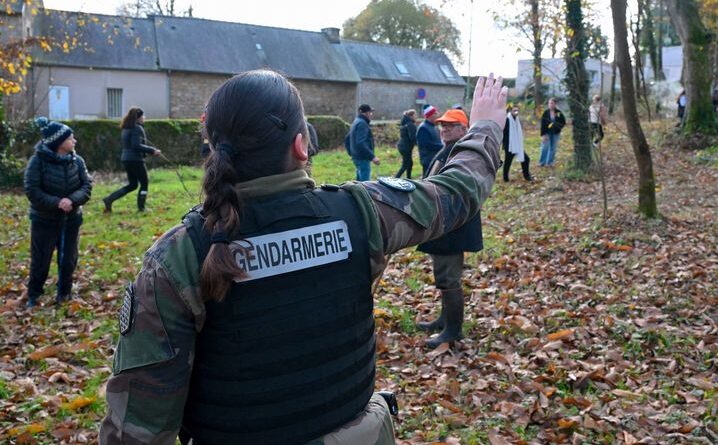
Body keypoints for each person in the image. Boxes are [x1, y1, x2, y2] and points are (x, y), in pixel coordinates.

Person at [99, 69, 507, 445]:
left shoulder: (179, 257)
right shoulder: (361, 214)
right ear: (300, 144)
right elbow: (456, 193)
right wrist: (486, 126)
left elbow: (138, 429)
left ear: (213, 145)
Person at [415, 109, 484, 349]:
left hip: (453, 225)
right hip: (442, 223)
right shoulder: (449, 150)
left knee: (449, 276)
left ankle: (453, 331)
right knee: (442, 273)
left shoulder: (463, 153)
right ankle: (444, 319)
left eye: (451, 126)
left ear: (464, 129)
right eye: (442, 125)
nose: (444, 129)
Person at [23, 117, 92, 307]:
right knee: (41, 260)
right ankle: (34, 295)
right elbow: (32, 190)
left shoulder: (77, 161)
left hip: (71, 220)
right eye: (71, 138)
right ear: (59, 142)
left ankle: (64, 293)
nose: (74, 141)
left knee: (68, 259)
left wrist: (72, 200)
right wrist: (57, 202)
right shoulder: (37, 162)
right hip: (44, 220)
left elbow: (87, 186)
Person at [102, 107, 161, 212]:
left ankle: (109, 199)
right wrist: (153, 150)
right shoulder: (137, 128)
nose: (144, 117)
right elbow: (136, 146)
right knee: (144, 183)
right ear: (138, 117)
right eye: (143, 116)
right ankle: (141, 208)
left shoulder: (126, 128)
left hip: (126, 159)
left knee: (133, 185)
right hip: (135, 160)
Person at [346, 104, 379, 181]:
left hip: (357, 157)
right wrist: (372, 156)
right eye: (370, 112)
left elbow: (347, 139)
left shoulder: (356, 121)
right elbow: (361, 142)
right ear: (366, 113)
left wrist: (352, 153)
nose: (371, 115)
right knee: (365, 184)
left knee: (359, 184)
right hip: (363, 157)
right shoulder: (362, 124)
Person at [502, 104, 532, 182]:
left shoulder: (517, 119)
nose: (516, 112)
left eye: (517, 110)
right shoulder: (507, 119)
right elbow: (502, 133)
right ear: (511, 111)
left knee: (526, 159)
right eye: (514, 110)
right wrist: (505, 144)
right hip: (510, 145)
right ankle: (505, 178)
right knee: (508, 162)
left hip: (517, 144)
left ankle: (527, 176)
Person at [538, 98, 566, 167]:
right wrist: (543, 134)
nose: (550, 105)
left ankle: (550, 162)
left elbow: (563, 122)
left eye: (552, 103)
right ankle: (542, 162)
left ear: (555, 104)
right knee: (545, 147)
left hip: (555, 133)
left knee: (553, 148)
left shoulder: (558, 112)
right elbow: (543, 124)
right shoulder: (546, 113)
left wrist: (558, 128)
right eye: (549, 103)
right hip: (547, 133)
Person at [417, 104, 443, 176]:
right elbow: (428, 145)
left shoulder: (433, 126)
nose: (437, 115)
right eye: (435, 113)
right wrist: (444, 147)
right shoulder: (423, 128)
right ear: (430, 115)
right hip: (428, 160)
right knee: (427, 180)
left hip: (435, 158)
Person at [394, 109, 417, 179]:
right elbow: (412, 137)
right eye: (415, 115)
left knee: (409, 163)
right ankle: (395, 179)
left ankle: (408, 178)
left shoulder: (405, 123)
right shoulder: (410, 125)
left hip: (402, 146)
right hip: (406, 147)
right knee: (406, 164)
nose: (416, 117)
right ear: (411, 116)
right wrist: (418, 144)